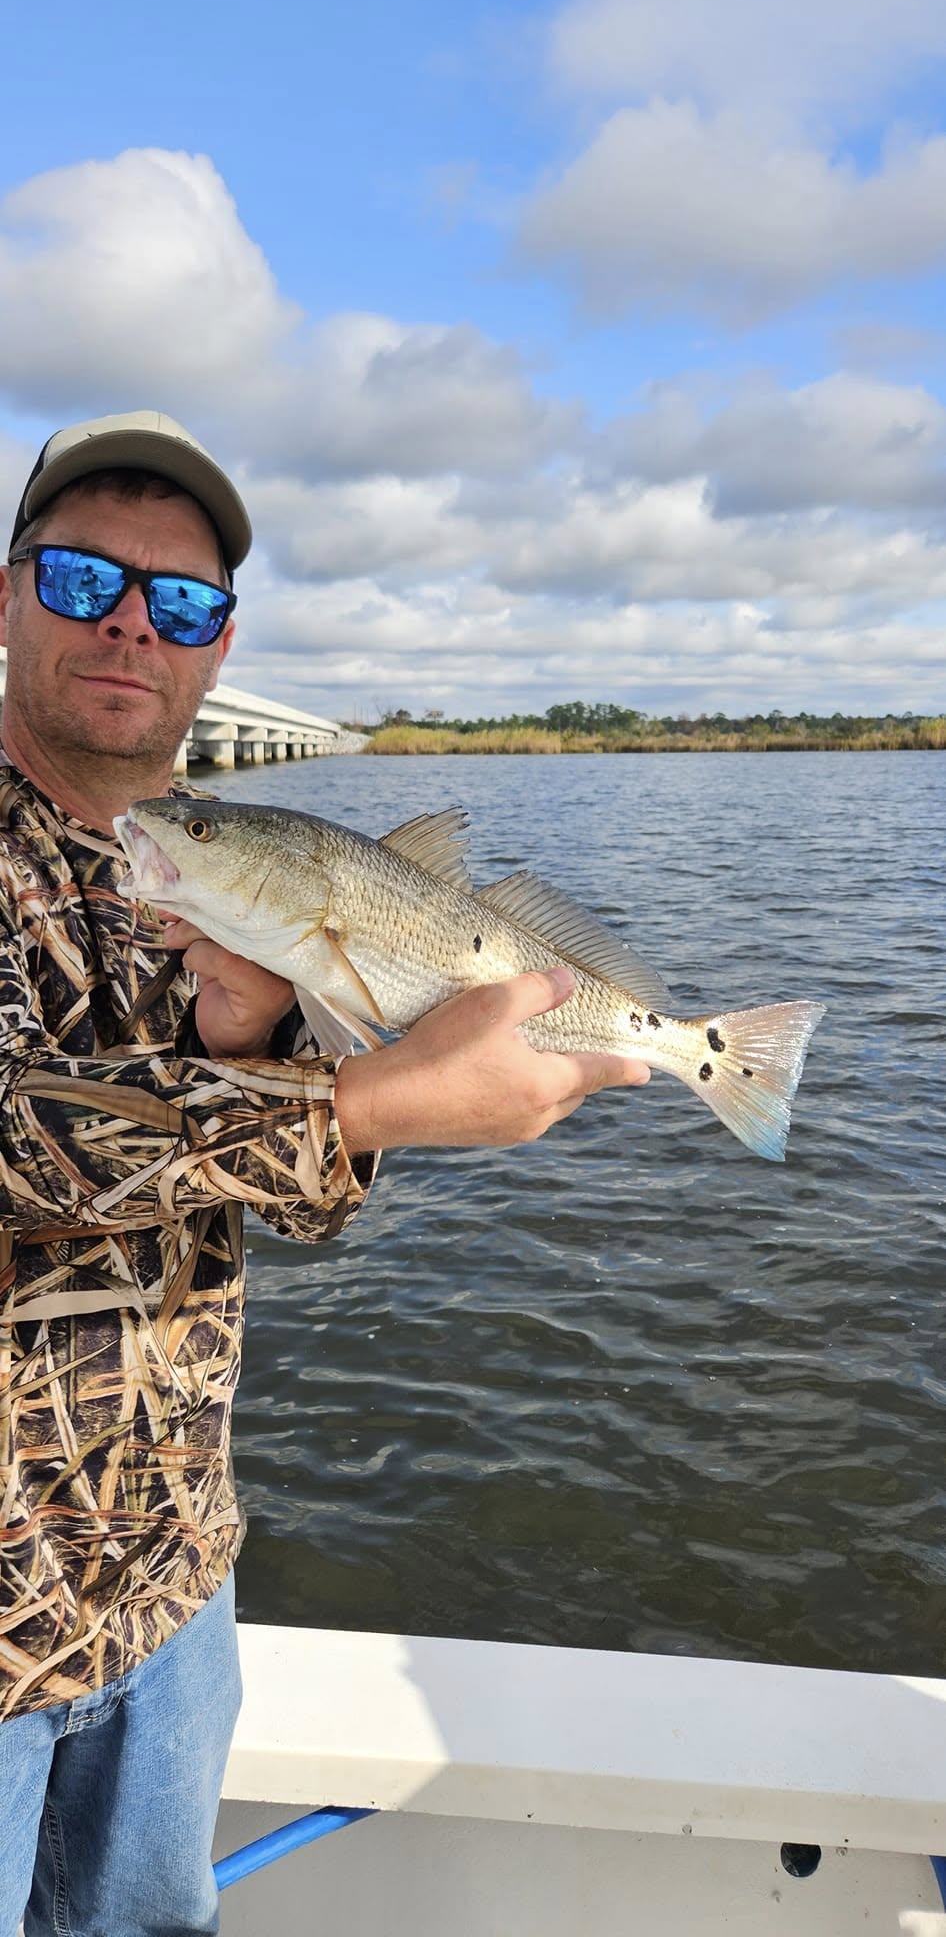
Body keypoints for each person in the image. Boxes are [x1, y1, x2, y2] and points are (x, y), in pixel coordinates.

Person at [0, 410, 650, 1937]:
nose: (133, 627)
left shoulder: (203, 863)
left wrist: (262, 1043)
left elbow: (283, 1200)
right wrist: (364, 1095)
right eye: (85, 578)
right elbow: (26, 1139)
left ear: (220, 646)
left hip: (173, 1584)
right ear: (9, 595)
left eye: (183, 601)